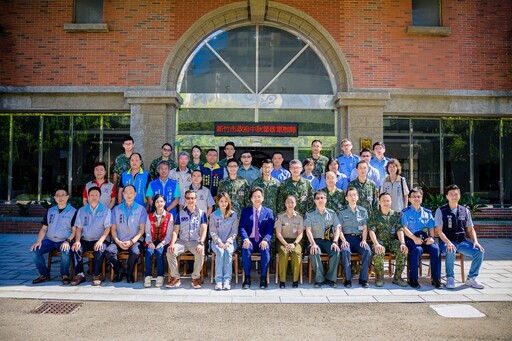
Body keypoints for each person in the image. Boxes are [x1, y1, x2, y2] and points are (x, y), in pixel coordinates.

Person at [435, 184, 485, 289]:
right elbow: (439, 231)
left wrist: (475, 241)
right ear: (447, 196)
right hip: (446, 241)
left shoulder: (465, 211)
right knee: (451, 250)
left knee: (479, 251)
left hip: (461, 242)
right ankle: (450, 278)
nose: (454, 196)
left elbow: (470, 229)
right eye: (451, 194)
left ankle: (471, 278)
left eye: (456, 194)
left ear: (459, 196)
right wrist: (448, 242)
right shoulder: (441, 210)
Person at [30, 187, 77, 285]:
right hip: (50, 240)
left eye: (63, 195)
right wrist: (38, 241)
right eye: (57, 195)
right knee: (35, 251)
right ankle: (44, 275)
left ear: (67, 197)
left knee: (65, 251)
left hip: (64, 240)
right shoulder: (50, 211)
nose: (60, 197)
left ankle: (65, 275)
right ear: (55, 198)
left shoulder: (73, 211)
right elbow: (44, 228)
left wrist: (68, 241)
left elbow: (74, 231)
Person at [166, 190, 208, 289]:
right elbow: (175, 231)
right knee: (170, 251)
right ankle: (175, 278)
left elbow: (204, 229)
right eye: (188, 198)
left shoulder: (202, 214)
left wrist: (201, 243)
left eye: (192, 198)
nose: (190, 200)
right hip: (182, 241)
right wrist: (172, 244)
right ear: (185, 199)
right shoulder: (180, 214)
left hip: (195, 241)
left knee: (201, 251)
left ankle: (195, 278)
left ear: (196, 200)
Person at [401, 187, 441, 289]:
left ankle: (436, 278)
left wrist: (431, 238)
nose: (416, 199)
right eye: (413, 197)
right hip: (411, 239)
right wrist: (414, 238)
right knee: (417, 250)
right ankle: (413, 279)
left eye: (418, 196)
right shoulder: (405, 212)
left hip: (425, 239)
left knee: (435, 249)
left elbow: (431, 227)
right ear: (409, 199)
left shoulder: (427, 213)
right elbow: (404, 228)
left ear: (421, 198)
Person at [105, 185, 147, 283]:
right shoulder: (116, 209)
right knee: (108, 251)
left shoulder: (141, 209)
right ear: (123, 194)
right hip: (120, 240)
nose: (129, 195)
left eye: (131, 192)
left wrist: (131, 241)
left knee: (135, 252)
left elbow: (142, 230)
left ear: (135, 194)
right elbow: (113, 229)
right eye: (126, 192)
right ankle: (119, 270)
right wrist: (118, 241)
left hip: (135, 240)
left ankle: (129, 273)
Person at [71, 186, 112, 286]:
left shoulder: (106, 210)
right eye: (91, 195)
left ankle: (96, 275)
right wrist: (77, 241)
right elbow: (79, 228)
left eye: (96, 195)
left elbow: (108, 228)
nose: (94, 197)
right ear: (88, 197)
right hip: (85, 239)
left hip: (100, 239)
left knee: (99, 250)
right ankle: (80, 274)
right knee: (76, 248)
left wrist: (100, 241)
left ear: (100, 196)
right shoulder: (82, 210)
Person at [368, 192, 408, 287]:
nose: (386, 203)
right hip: (379, 241)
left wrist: (402, 243)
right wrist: (376, 244)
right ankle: (380, 277)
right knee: (379, 251)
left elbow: (399, 229)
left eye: (388, 201)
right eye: (383, 201)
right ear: (379, 202)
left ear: (391, 202)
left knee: (402, 250)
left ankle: (397, 277)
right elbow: (371, 231)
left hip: (392, 241)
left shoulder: (395, 215)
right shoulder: (374, 215)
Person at [239, 187, 275, 289]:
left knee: (265, 249)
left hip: (261, 240)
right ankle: (247, 277)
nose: (257, 199)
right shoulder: (245, 212)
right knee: (245, 249)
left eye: (259, 196)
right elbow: (241, 227)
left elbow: (270, 229)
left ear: (263, 198)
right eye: (254, 196)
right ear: (251, 198)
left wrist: (265, 240)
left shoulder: (268, 212)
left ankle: (263, 278)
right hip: (249, 240)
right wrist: (245, 239)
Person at [304, 190, 341, 288]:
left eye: (322, 198)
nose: (320, 200)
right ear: (314, 201)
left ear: (326, 200)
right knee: (314, 251)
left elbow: (337, 228)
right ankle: (319, 279)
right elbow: (308, 230)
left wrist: (335, 242)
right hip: (315, 241)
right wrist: (313, 244)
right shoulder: (310, 214)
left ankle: (330, 279)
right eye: (317, 198)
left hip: (328, 241)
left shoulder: (332, 213)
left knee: (336, 251)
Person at [339, 187, 372, 288]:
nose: (352, 197)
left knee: (367, 250)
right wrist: (343, 240)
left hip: (358, 239)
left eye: (354, 195)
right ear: (346, 198)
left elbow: (365, 227)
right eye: (350, 195)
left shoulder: (363, 211)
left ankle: (363, 279)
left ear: (357, 197)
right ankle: (348, 279)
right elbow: (338, 228)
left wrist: (364, 240)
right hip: (346, 238)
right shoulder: (341, 211)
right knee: (345, 251)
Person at [209, 192, 238, 290]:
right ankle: (218, 280)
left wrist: (228, 242)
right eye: (221, 201)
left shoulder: (233, 215)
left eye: (226, 201)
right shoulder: (213, 215)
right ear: (218, 202)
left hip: (230, 242)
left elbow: (234, 232)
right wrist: (220, 242)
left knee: (228, 251)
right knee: (220, 252)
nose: (223, 203)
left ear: (228, 202)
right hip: (217, 243)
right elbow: (212, 232)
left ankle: (226, 280)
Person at [144, 194, 173, 288]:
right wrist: (149, 242)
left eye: (161, 201)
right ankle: (148, 275)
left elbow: (169, 234)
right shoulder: (149, 216)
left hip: (164, 241)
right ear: (154, 204)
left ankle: (160, 276)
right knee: (149, 251)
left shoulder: (169, 216)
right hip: (152, 240)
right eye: (157, 202)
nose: (159, 204)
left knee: (159, 252)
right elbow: (147, 232)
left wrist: (162, 243)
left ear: (164, 203)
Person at [275, 195, 304, 288]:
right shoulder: (280, 216)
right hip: (282, 241)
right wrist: (286, 244)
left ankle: (295, 280)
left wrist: (294, 244)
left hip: (296, 241)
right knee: (284, 252)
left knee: (296, 253)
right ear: (285, 204)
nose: (290, 204)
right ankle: (282, 281)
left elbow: (300, 234)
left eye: (292, 202)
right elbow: (278, 233)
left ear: (295, 204)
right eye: (288, 202)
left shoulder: (300, 217)